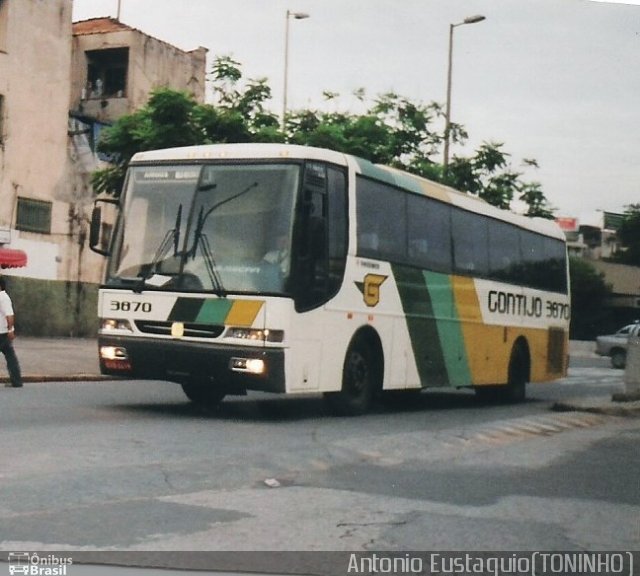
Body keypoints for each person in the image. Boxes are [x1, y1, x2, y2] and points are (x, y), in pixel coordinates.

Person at [0, 276, 23, 388]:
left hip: (2, 333)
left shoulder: (3, 298)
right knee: (10, 357)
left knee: (10, 357)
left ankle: (17, 380)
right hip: (3, 332)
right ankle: (17, 381)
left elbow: (9, 315)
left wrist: (10, 330)